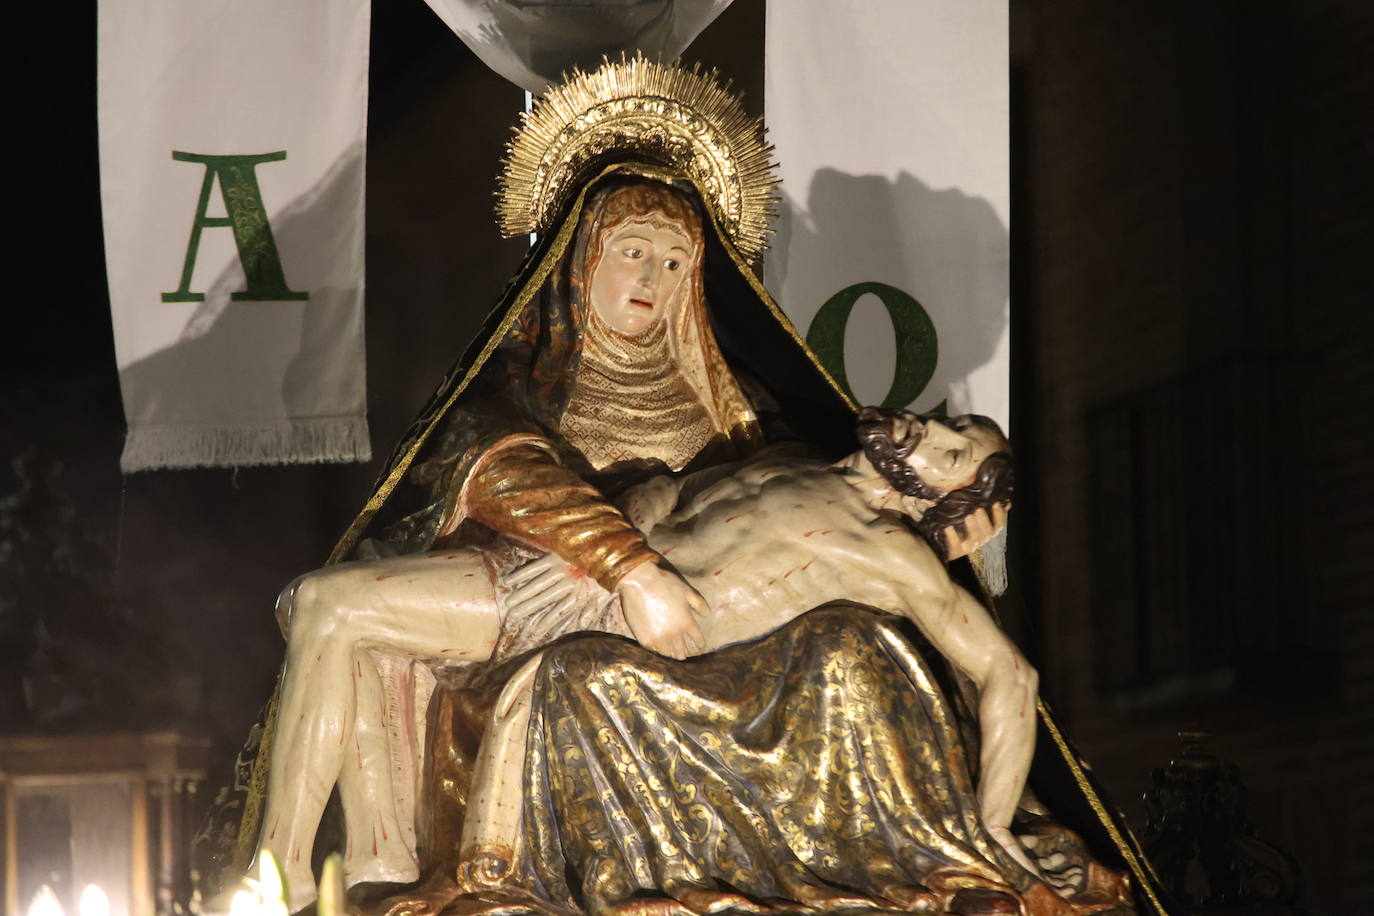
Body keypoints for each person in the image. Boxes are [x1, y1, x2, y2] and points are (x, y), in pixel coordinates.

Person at [203, 56, 1169, 916]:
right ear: (582, 261)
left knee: (332, 607)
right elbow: (500, 468)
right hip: (551, 576)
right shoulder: (529, 385)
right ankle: (318, 879)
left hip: (651, 641)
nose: (652, 279)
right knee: (327, 607)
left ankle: (313, 883)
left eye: (674, 262)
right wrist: (628, 556)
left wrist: (950, 561)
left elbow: (966, 638)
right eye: (632, 252)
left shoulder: (743, 413)